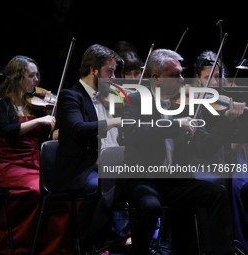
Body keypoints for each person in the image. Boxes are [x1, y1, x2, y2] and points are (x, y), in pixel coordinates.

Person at [90, 49, 245, 255]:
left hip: (176, 181)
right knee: (150, 205)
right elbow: (135, 132)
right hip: (141, 180)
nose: (182, 80)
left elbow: (205, 148)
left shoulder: (184, 106)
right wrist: (175, 124)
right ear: (156, 79)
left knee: (217, 193)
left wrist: (227, 121)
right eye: (175, 75)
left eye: (182, 74)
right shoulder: (135, 100)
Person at [0, 55, 73, 254]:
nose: (36, 80)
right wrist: (39, 122)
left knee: (62, 192)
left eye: (37, 75)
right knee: (36, 190)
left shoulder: (34, 104)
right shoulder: (1, 104)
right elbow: (7, 130)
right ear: (16, 78)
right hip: (10, 164)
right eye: (31, 76)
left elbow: (46, 137)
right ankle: (12, 245)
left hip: (35, 162)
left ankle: (50, 248)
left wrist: (67, 130)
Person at [53, 44, 122, 250]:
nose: (114, 77)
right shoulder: (70, 96)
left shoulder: (106, 96)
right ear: (93, 70)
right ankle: (84, 244)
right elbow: (77, 129)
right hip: (80, 166)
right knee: (96, 186)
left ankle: (122, 238)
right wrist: (114, 121)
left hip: (106, 162)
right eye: (110, 71)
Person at [193, 50, 248, 253]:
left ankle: (240, 242)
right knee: (218, 186)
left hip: (232, 155)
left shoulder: (231, 96)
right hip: (204, 158)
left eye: (217, 77)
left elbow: (239, 139)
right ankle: (216, 245)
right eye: (208, 78)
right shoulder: (194, 101)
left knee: (238, 186)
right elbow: (202, 144)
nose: (214, 83)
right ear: (198, 79)